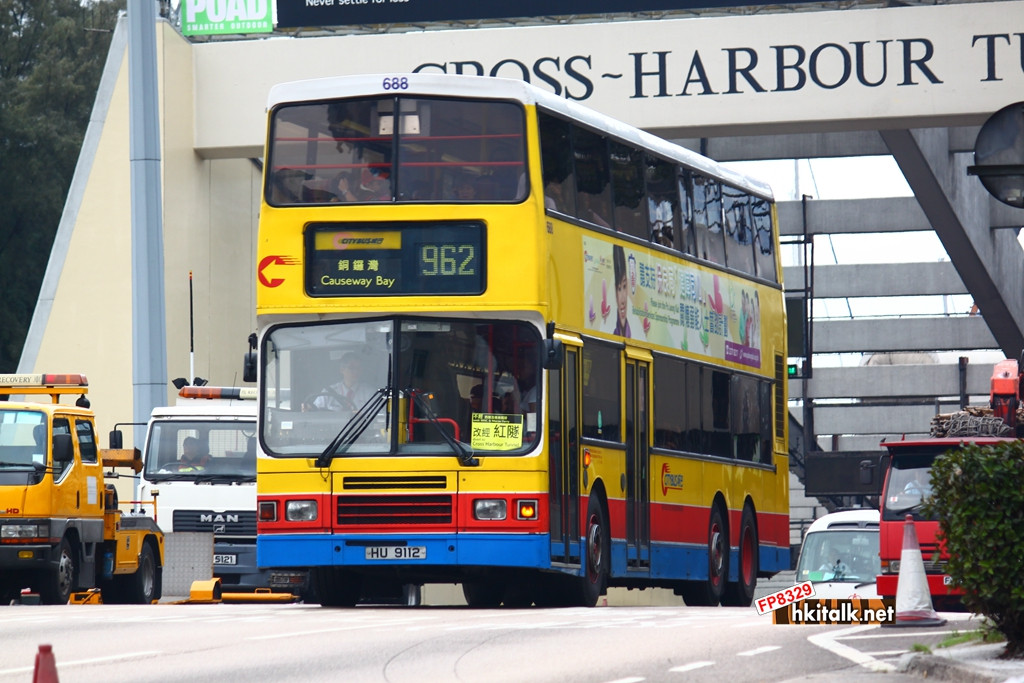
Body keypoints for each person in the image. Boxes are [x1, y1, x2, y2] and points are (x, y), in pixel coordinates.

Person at [307, 352, 374, 412]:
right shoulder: (328, 392)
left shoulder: (370, 393)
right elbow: (315, 414)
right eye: (351, 368)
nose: (356, 371)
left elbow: (376, 416)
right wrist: (309, 409)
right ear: (342, 370)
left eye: (358, 368)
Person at [612, 244, 631, 338]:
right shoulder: (613, 335)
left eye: (624, 286)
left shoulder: (631, 334)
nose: (623, 300)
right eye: (619, 289)